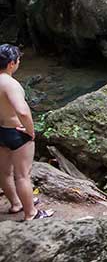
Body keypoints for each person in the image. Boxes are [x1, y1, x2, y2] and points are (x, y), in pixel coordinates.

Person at [0, 44, 51, 220]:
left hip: (1, 131)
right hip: (15, 131)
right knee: (22, 175)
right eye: (18, 60)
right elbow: (22, 111)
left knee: (4, 172)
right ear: (11, 64)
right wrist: (30, 131)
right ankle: (31, 213)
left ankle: (16, 203)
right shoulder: (10, 84)